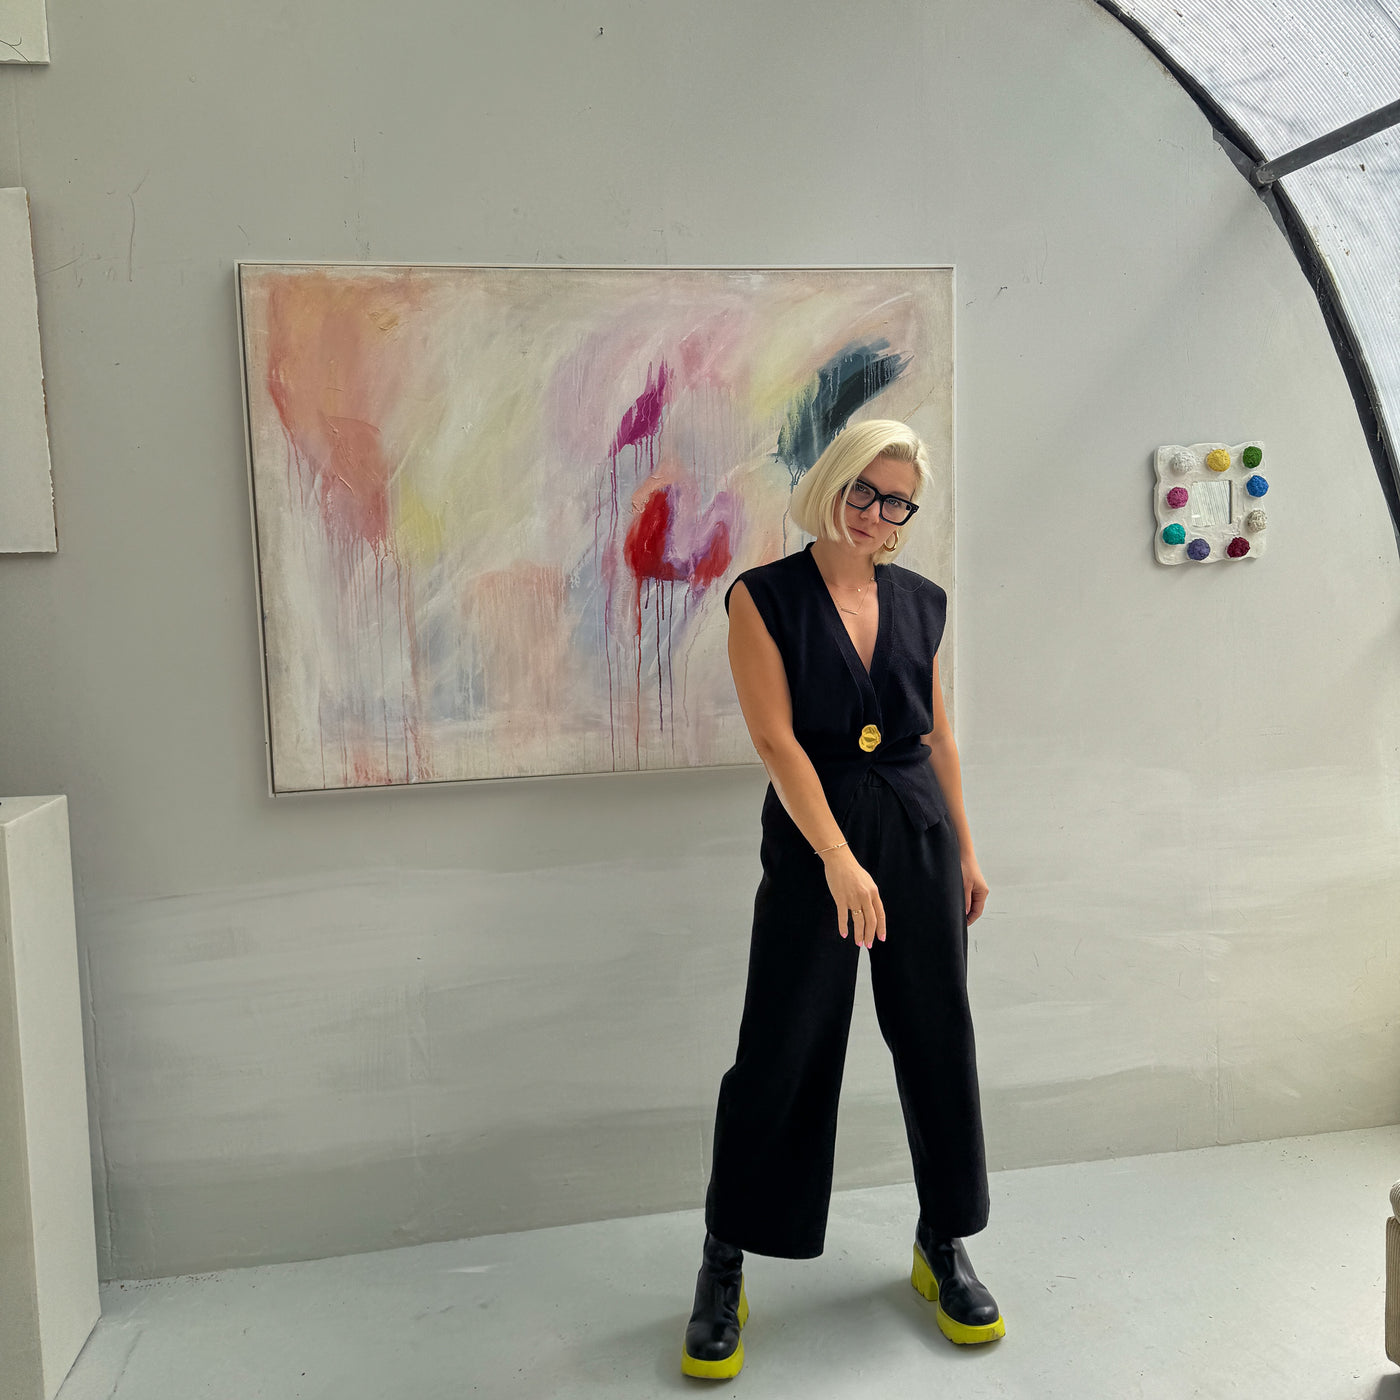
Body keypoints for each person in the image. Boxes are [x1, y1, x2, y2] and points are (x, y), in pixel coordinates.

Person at [680, 419, 1003, 1381]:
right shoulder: (763, 597)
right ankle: (725, 1259)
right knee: (781, 1046)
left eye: (897, 501)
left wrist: (965, 850)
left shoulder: (921, 602)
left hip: (916, 831)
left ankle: (943, 1241)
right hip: (817, 840)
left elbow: (936, 737)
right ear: (834, 482)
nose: (876, 513)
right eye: (865, 490)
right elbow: (776, 741)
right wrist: (835, 857)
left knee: (938, 1037)